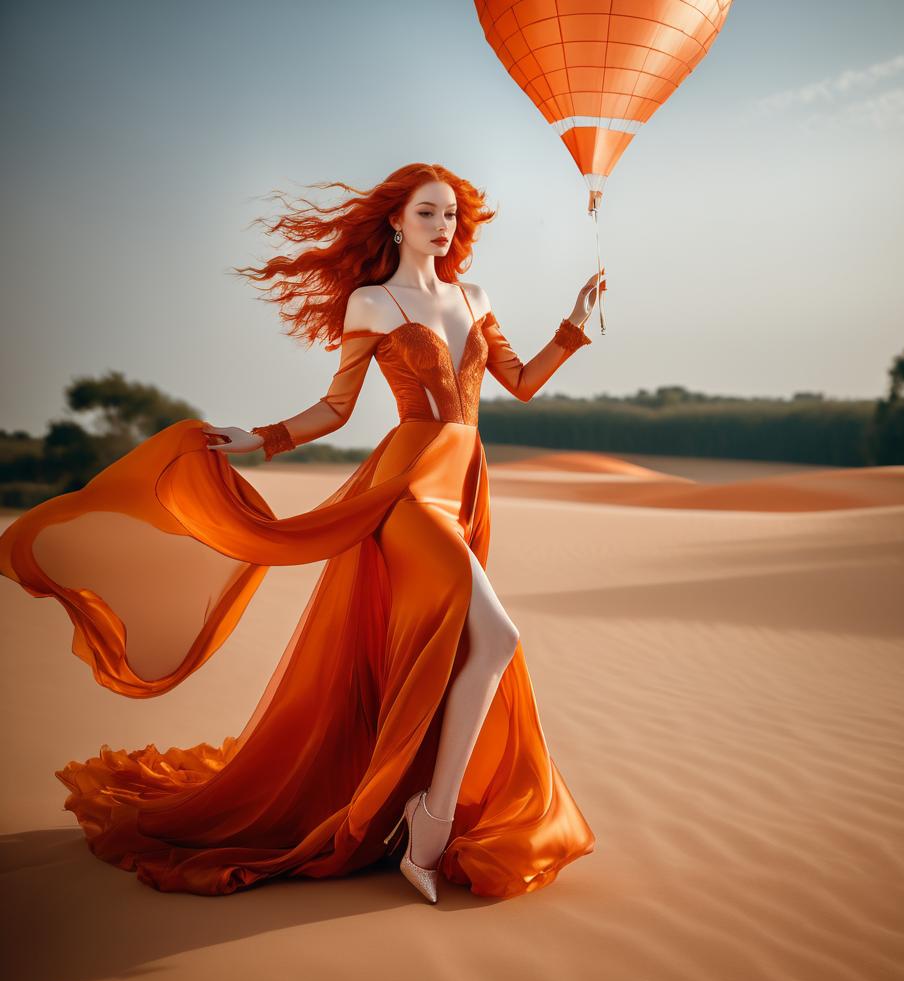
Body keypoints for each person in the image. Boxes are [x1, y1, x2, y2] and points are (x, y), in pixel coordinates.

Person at [0, 163, 605, 904]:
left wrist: (574, 324)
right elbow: (336, 408)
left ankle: (424, 809)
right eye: (427, 213)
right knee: (498, 638)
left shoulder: (475, 297)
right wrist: (260, 439)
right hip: (408, 492)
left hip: (467, 483)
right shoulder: (373, 302)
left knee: (468, 648)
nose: (442, 226)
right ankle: (432, 823)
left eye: (450, 215)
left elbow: (522, 380)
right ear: (395, 220)